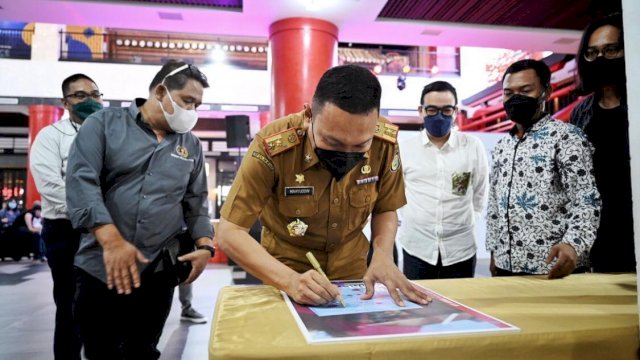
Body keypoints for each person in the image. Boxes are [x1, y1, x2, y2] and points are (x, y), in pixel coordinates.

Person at [216, 64, 431, 307]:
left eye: (360, 146)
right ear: (309, 117)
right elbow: (229, 233)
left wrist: (382, 255)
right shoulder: (272, 146)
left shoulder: (384, 142)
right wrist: (291, 281)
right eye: (333, 142)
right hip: (286, 272)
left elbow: (385, 207)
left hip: (352, 272)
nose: (347, 154)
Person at [65, 60, 214, 359]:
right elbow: (82, 182)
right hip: (100, 268)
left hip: (156, 273)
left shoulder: (191, 146)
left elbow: (196, 202)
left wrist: (205, 246)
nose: (192, 111)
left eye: (197, 104)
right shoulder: (104, 125)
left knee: (143, 351)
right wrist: (111, 240)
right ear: (161, 91)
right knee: (101, 351)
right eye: (187, 101)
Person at [486, 59, 601, 279]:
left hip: (554, 268)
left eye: (526, 90)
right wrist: (494, 252)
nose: (516, 98)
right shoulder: (502, 146)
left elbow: (586, 199)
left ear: (546, 92)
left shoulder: (567, 138)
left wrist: (573, 245)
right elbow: (494, 205)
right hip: (505, 267)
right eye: (508, 93)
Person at [30, 73, 103, 359]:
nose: (90, 100)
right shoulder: (50, 136)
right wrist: (95, 208)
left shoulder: (109, 134)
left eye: (95, 95)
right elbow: (50, 187)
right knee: (70, 304)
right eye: (80, 95)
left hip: (106, 229)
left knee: (104, 305)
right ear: (65, 101)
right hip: (66, 230)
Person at [397, 81, 488, 279]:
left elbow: (481, 191)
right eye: (431, 110)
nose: (439, 116)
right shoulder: (405, 149)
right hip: (417, 247)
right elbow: (397, 191)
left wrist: (470, 219)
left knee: (461, 306)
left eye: (446, 110)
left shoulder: (472, 146)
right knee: (418, 306)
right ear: (421, 111)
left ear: (455, 111)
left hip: (460, 249)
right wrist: (410, 218)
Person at [570, 13, 634, 273]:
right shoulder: (581, 112)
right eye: (592, 53)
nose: (601, 59)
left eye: (611, 50)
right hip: (600, 231)